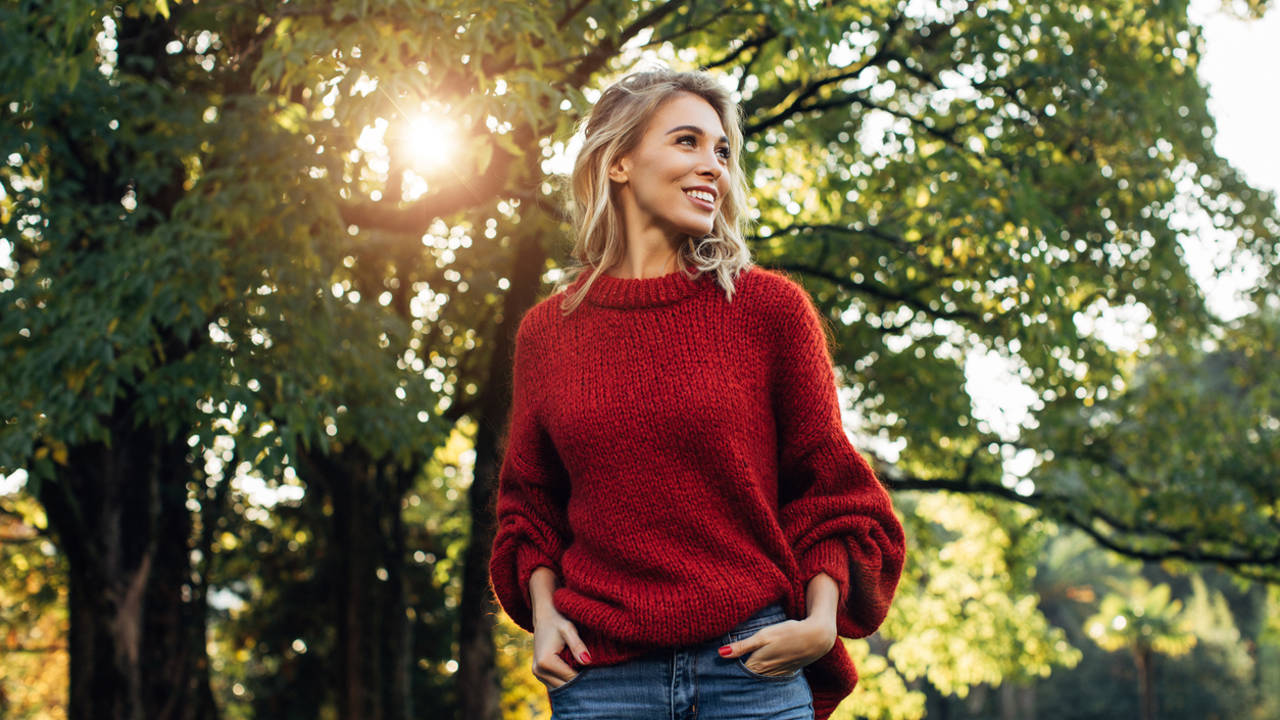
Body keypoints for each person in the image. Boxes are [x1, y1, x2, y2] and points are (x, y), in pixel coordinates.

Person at [488, 68, 906, 720]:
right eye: (687, 141)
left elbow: (828, 488)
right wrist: (543, 616)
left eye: (722, 151)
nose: (713, 166)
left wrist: (821, 623)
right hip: (601, 681)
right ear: (619, 161)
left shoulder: (769, 310)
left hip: (753, 668)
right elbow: (530, 506)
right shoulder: (548, 333)